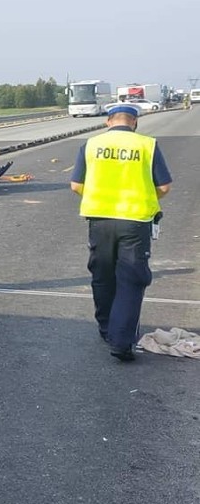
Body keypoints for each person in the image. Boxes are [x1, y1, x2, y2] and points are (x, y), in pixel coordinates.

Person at [70, 103, 172, 361]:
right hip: (134, 220)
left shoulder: (91, 145)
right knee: (131, 280)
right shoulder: (147, 145)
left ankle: (107, 329)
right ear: (134, 123)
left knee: (102, 275)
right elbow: (164, 187)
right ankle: (122, 341)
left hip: (99, 220)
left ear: (108, 122)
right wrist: (143, 196)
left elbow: (75, 185)